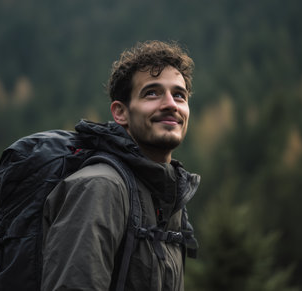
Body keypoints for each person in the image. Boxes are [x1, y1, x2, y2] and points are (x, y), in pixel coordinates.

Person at [41, 40, 201, 291]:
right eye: (152, 93)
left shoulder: (169, 200)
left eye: (179, 95)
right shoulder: (100, 187)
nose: (171, 104)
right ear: (120, 113)